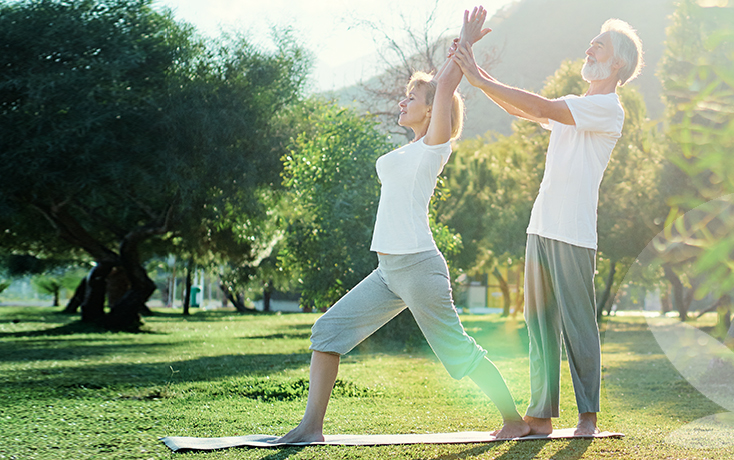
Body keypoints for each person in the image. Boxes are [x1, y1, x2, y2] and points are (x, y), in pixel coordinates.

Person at [275, 7, 529, 443]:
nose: (402, 101)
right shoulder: (409, 151)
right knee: (328, 332)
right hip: (388, 271)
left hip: (418, 266)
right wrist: (454, 51)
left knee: (457, 350)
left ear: (434, 111)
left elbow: (447, 84)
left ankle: (514, 421)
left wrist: (463, 43)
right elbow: (440, 86)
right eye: (405, 96)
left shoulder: (434, 147)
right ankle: (309, 428)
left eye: (412, 98)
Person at [450, 13, 644, 436]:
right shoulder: (577, 103)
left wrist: (480, 77)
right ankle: (539, 416)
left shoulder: (606, 109)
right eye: (591, 41)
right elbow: (526, 111)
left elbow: (539, 105)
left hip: (573, 233)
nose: (589, 47)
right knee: (538, 326)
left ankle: (588, 417)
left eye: (600, 46)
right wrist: (476, 74)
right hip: (540, 227)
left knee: (578, 326)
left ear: (616, 65)